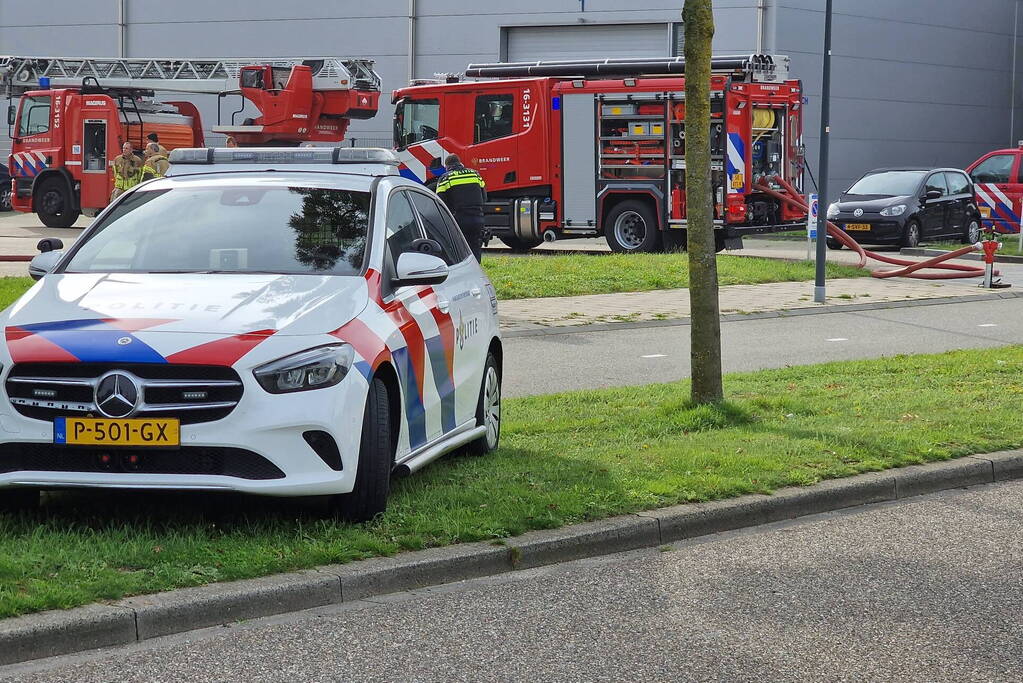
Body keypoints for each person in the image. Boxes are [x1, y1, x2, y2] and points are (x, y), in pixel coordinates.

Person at [435, 154, 487, 261]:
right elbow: (484, 197)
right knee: (476, 246)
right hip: (478, 218)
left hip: (459, 219)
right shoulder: (475, 174)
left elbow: (440, 203)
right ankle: (477, 271)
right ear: (460, 163)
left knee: (460, 249)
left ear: (447, 166)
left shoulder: (445, 178)